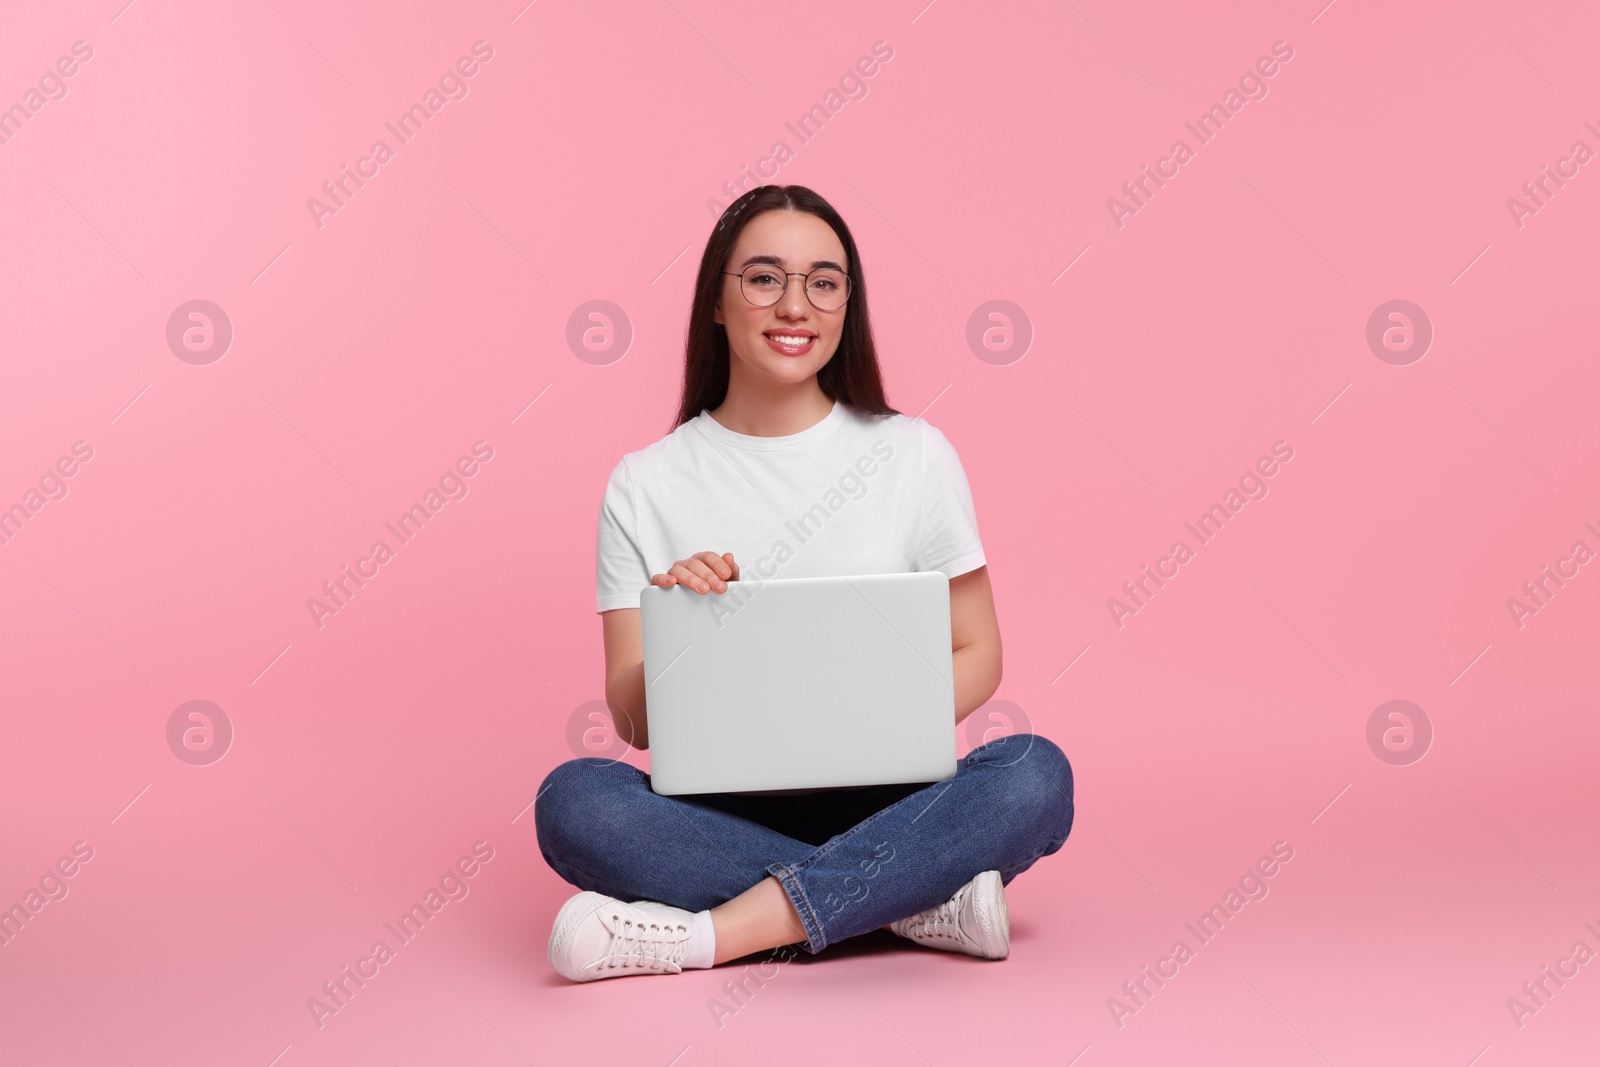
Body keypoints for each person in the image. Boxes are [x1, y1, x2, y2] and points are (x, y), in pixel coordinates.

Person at [535, 184, 1074, 983]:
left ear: (847, 304)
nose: (796, 305)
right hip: (720, 811)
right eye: (763, 278)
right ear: (717, 300)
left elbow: (978, 650)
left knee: (1035, 771)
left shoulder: (914, 454)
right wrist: (680, 622)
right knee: (573, 801)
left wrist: (865, 721)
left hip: (892, 800)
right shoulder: (644, 484)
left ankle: (710, 936)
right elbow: (630, 715)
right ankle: (911, 903)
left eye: (823, 282)